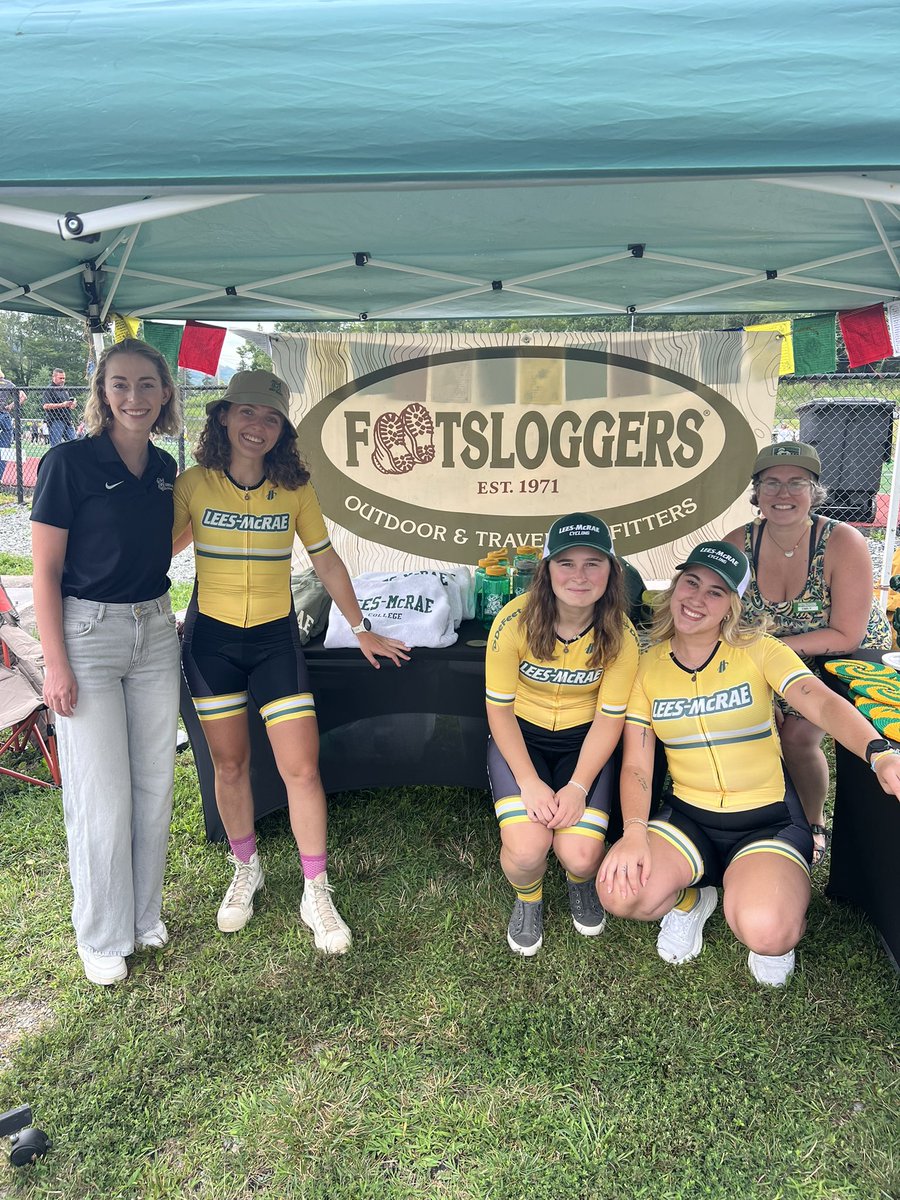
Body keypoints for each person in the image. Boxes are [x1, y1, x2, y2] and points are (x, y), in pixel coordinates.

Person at [174, 369, 409, 954]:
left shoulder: (296, 488)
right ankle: (246, 867)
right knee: (230, 766)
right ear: (223, 416)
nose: (258, 426)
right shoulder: (194, 484)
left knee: (301, 768)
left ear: (282, 430)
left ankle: (316, 887)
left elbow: (327, 563)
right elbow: (155, 551)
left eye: (271, 418)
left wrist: (360, 629)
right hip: (212, 643)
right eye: (248, 413)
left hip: (276, 641)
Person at [598, 541, 900, 987]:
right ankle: (692, 900)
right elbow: (638, 765)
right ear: (675, 585)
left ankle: (762, 898)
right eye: (691, 582)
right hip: (689, 817)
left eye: (716, 592)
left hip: (766, 819)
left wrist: (879, 754)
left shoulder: (759, 650)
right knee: (620, 893)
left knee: (767, 932)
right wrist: (635, 832)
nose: (697, 599)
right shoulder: (646, 667)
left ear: (731, 606)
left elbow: (823, 704)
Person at [31, 339, 183, 986]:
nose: (134, 397)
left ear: (166, 393)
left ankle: (142, 917)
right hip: (86, 637)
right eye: (120, 384)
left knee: (153, 787)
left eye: (147, 384)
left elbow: (159, 541)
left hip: (154, 630)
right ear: (101, 391)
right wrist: (55, 664)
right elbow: (43, 571)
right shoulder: (68, 462)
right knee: (101, 798)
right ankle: (100, 934)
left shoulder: (167, 465)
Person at [724, 441, 891, 867]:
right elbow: (721, 615)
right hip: (771, 652)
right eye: (771, 483)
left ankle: (814, 823)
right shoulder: (738, 543)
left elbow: (847, 633)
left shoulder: (842, 541)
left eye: (796, 482)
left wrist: (769, 656)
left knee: (798, 736)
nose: (783, 494)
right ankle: (760, 816)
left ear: (814, 490)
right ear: (756, 492)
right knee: (746, 719)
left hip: (846, 653)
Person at [485, 512, 641, 956]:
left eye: (593, 563)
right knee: (527, 851)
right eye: (566, 563)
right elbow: (499, 713)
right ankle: (528, 898)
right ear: (546, 569)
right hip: (523, 738)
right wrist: (530, 783)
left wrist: (577, 786)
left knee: (582, 855)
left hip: (583, 742)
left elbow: (610, 720)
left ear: (612, 572)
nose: (579, 576)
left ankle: (579, 884)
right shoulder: (512, 622)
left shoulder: (622, 634)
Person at [42, 367, 77, 446]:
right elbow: (45, 405)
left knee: (75, 443)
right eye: (60, 378)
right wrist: (62, 405)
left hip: (67, 420)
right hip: (56, 420)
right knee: (56, 445)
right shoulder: (49, 389)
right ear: (54, 377)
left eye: (64, 378)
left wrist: (72, 404)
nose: (63, 380)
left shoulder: (64, 389)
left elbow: (69, 403)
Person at [0, 367, 25, 451]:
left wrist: (10, 406)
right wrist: (10, 406)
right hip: (3, 413)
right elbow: (23, 396)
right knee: (6, 442)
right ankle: (2, 463)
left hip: (3, 413)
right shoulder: (7, 383)